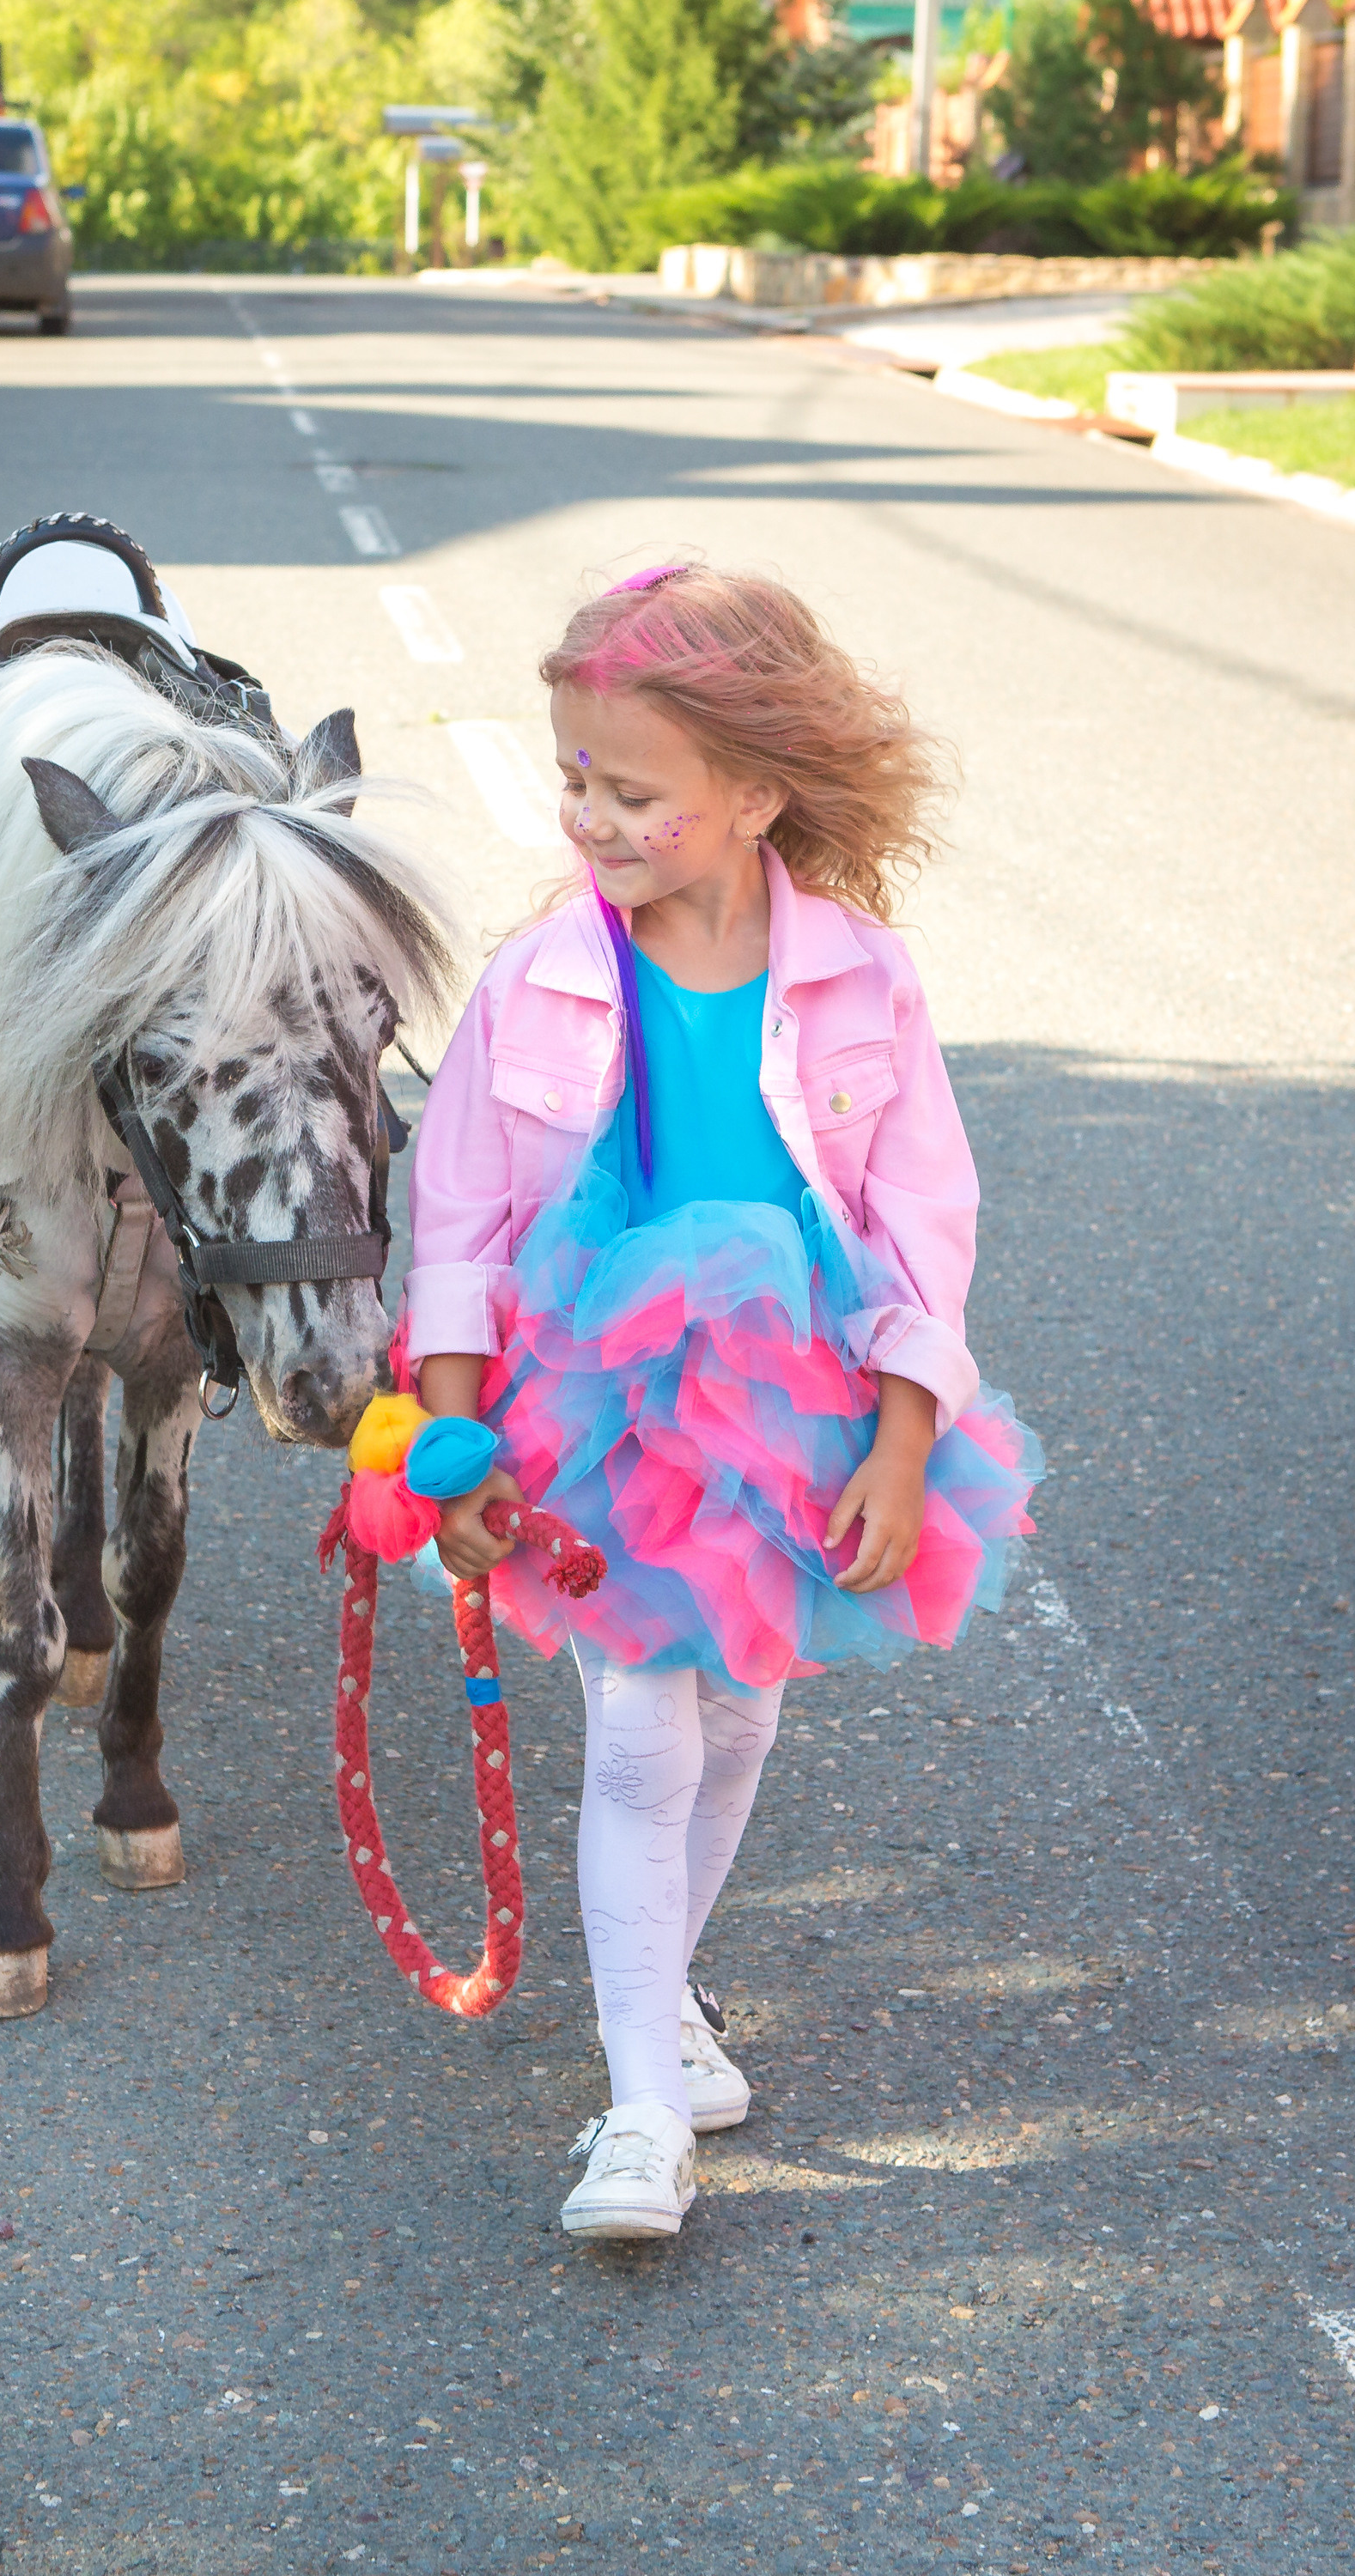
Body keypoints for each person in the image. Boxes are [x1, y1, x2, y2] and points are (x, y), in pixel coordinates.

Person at [397, 566, 1041, 2242]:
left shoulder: (860, 980)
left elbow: (926, 1223)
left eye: (633, 790)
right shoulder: (537, 978)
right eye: (574, 781)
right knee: (633, 1733)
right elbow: (457, 1218)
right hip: (591, 1416)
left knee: (741, 1714)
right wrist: (452, 1436)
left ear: (754, 791)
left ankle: (657, 2000)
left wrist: (904, 1440)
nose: (591, 818)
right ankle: (633, 2116)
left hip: (799, 1412)